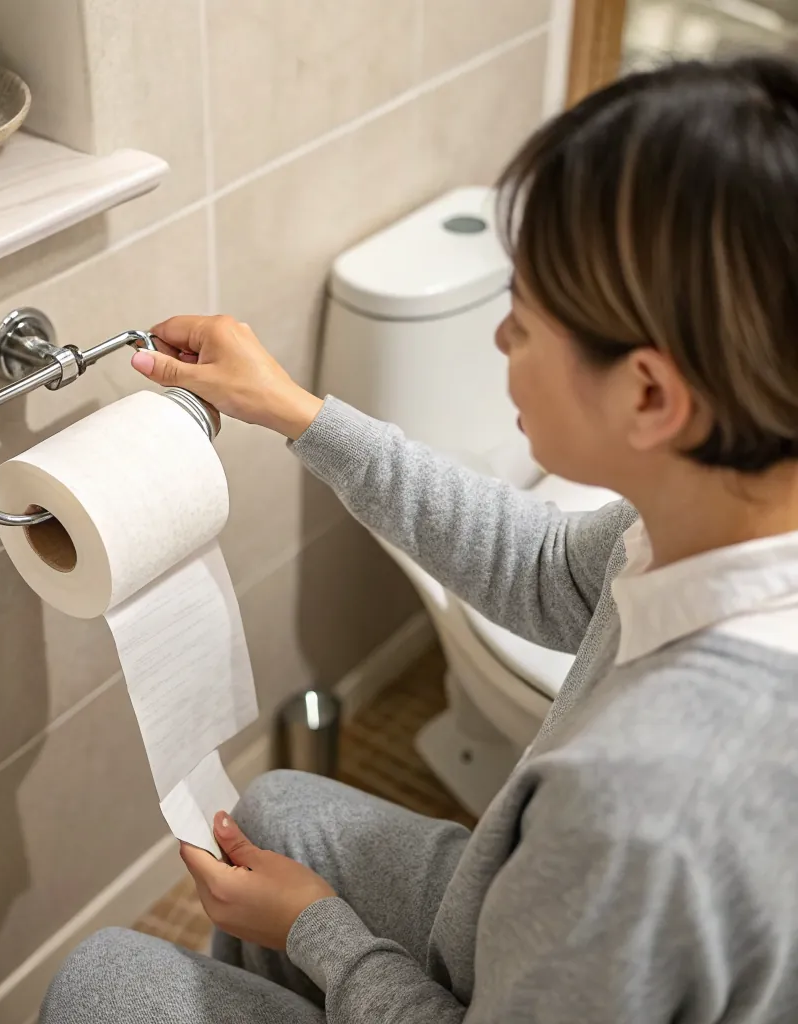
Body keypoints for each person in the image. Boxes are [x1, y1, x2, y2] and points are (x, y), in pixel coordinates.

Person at [39, 56, 798, 1023]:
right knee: (274, 812)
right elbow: (547, 572)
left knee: (100, 983)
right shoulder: (712, 521)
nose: (498, 344)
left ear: (649, 394)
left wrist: (319, 931)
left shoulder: (643, 812)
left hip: (570, 932)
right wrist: (296, 412)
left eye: (520, 322)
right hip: (560, 930)